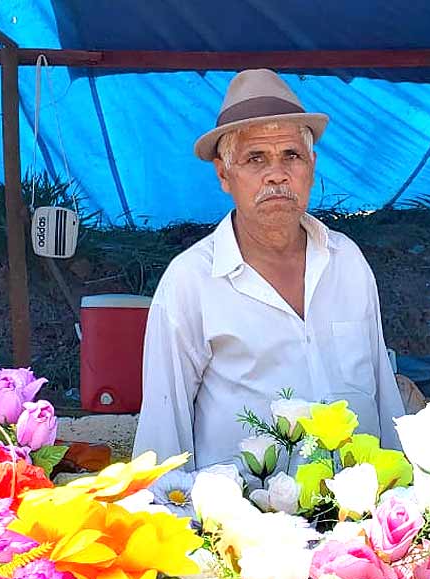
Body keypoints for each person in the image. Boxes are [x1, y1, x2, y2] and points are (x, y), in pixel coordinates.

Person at [131, 68, 405, 470]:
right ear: (225, 175)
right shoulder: (191, 281)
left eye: (290, 156)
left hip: (357, 518)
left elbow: (384, 398)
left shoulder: (347, 262)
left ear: (311, 165)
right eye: (256, 158)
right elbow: (163, 432)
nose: (277, 174)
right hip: (240, 526)